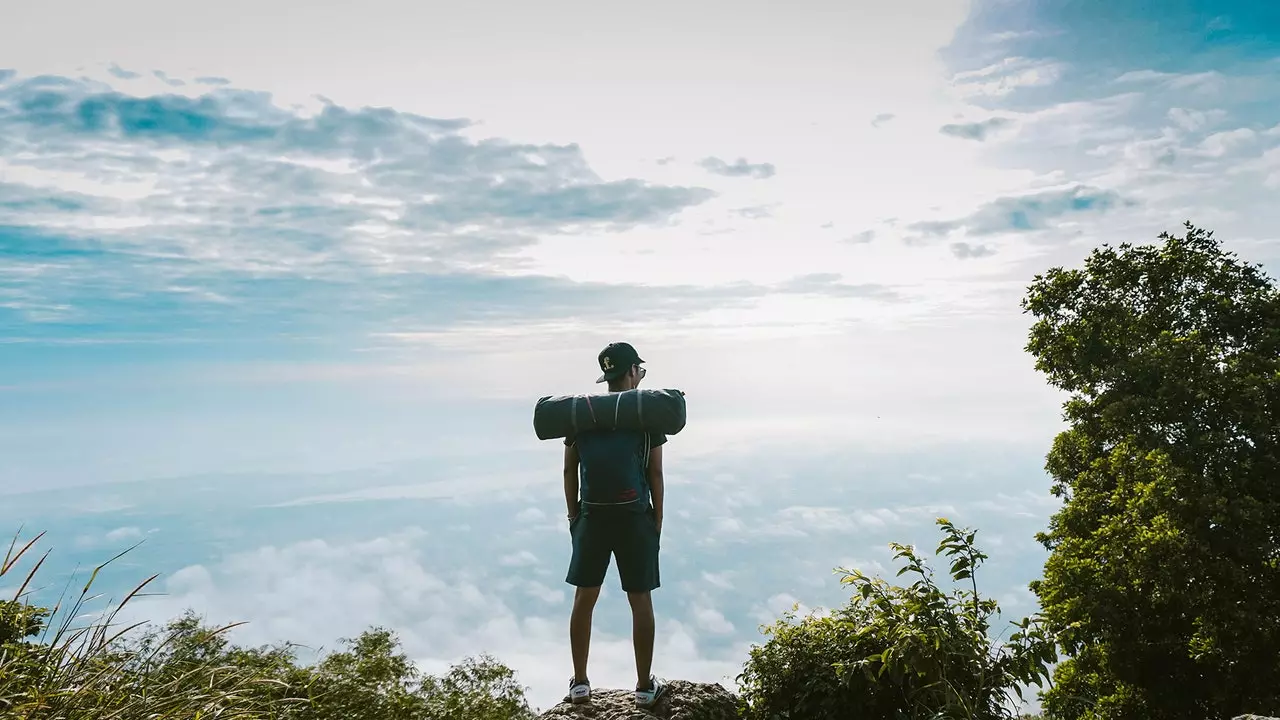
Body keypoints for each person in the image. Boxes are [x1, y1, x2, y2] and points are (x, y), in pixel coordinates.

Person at [562, 341, 668, 708]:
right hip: (634, 517)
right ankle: (643, 687)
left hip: (592, 517)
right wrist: (657, 518)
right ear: (630, 372)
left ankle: (579, 683)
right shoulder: (645, 415)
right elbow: (655, 471)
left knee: (584, 599)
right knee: (640, 600)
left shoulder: (583, 414)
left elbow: (569, 467)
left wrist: (575, 515)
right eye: (638, 368)